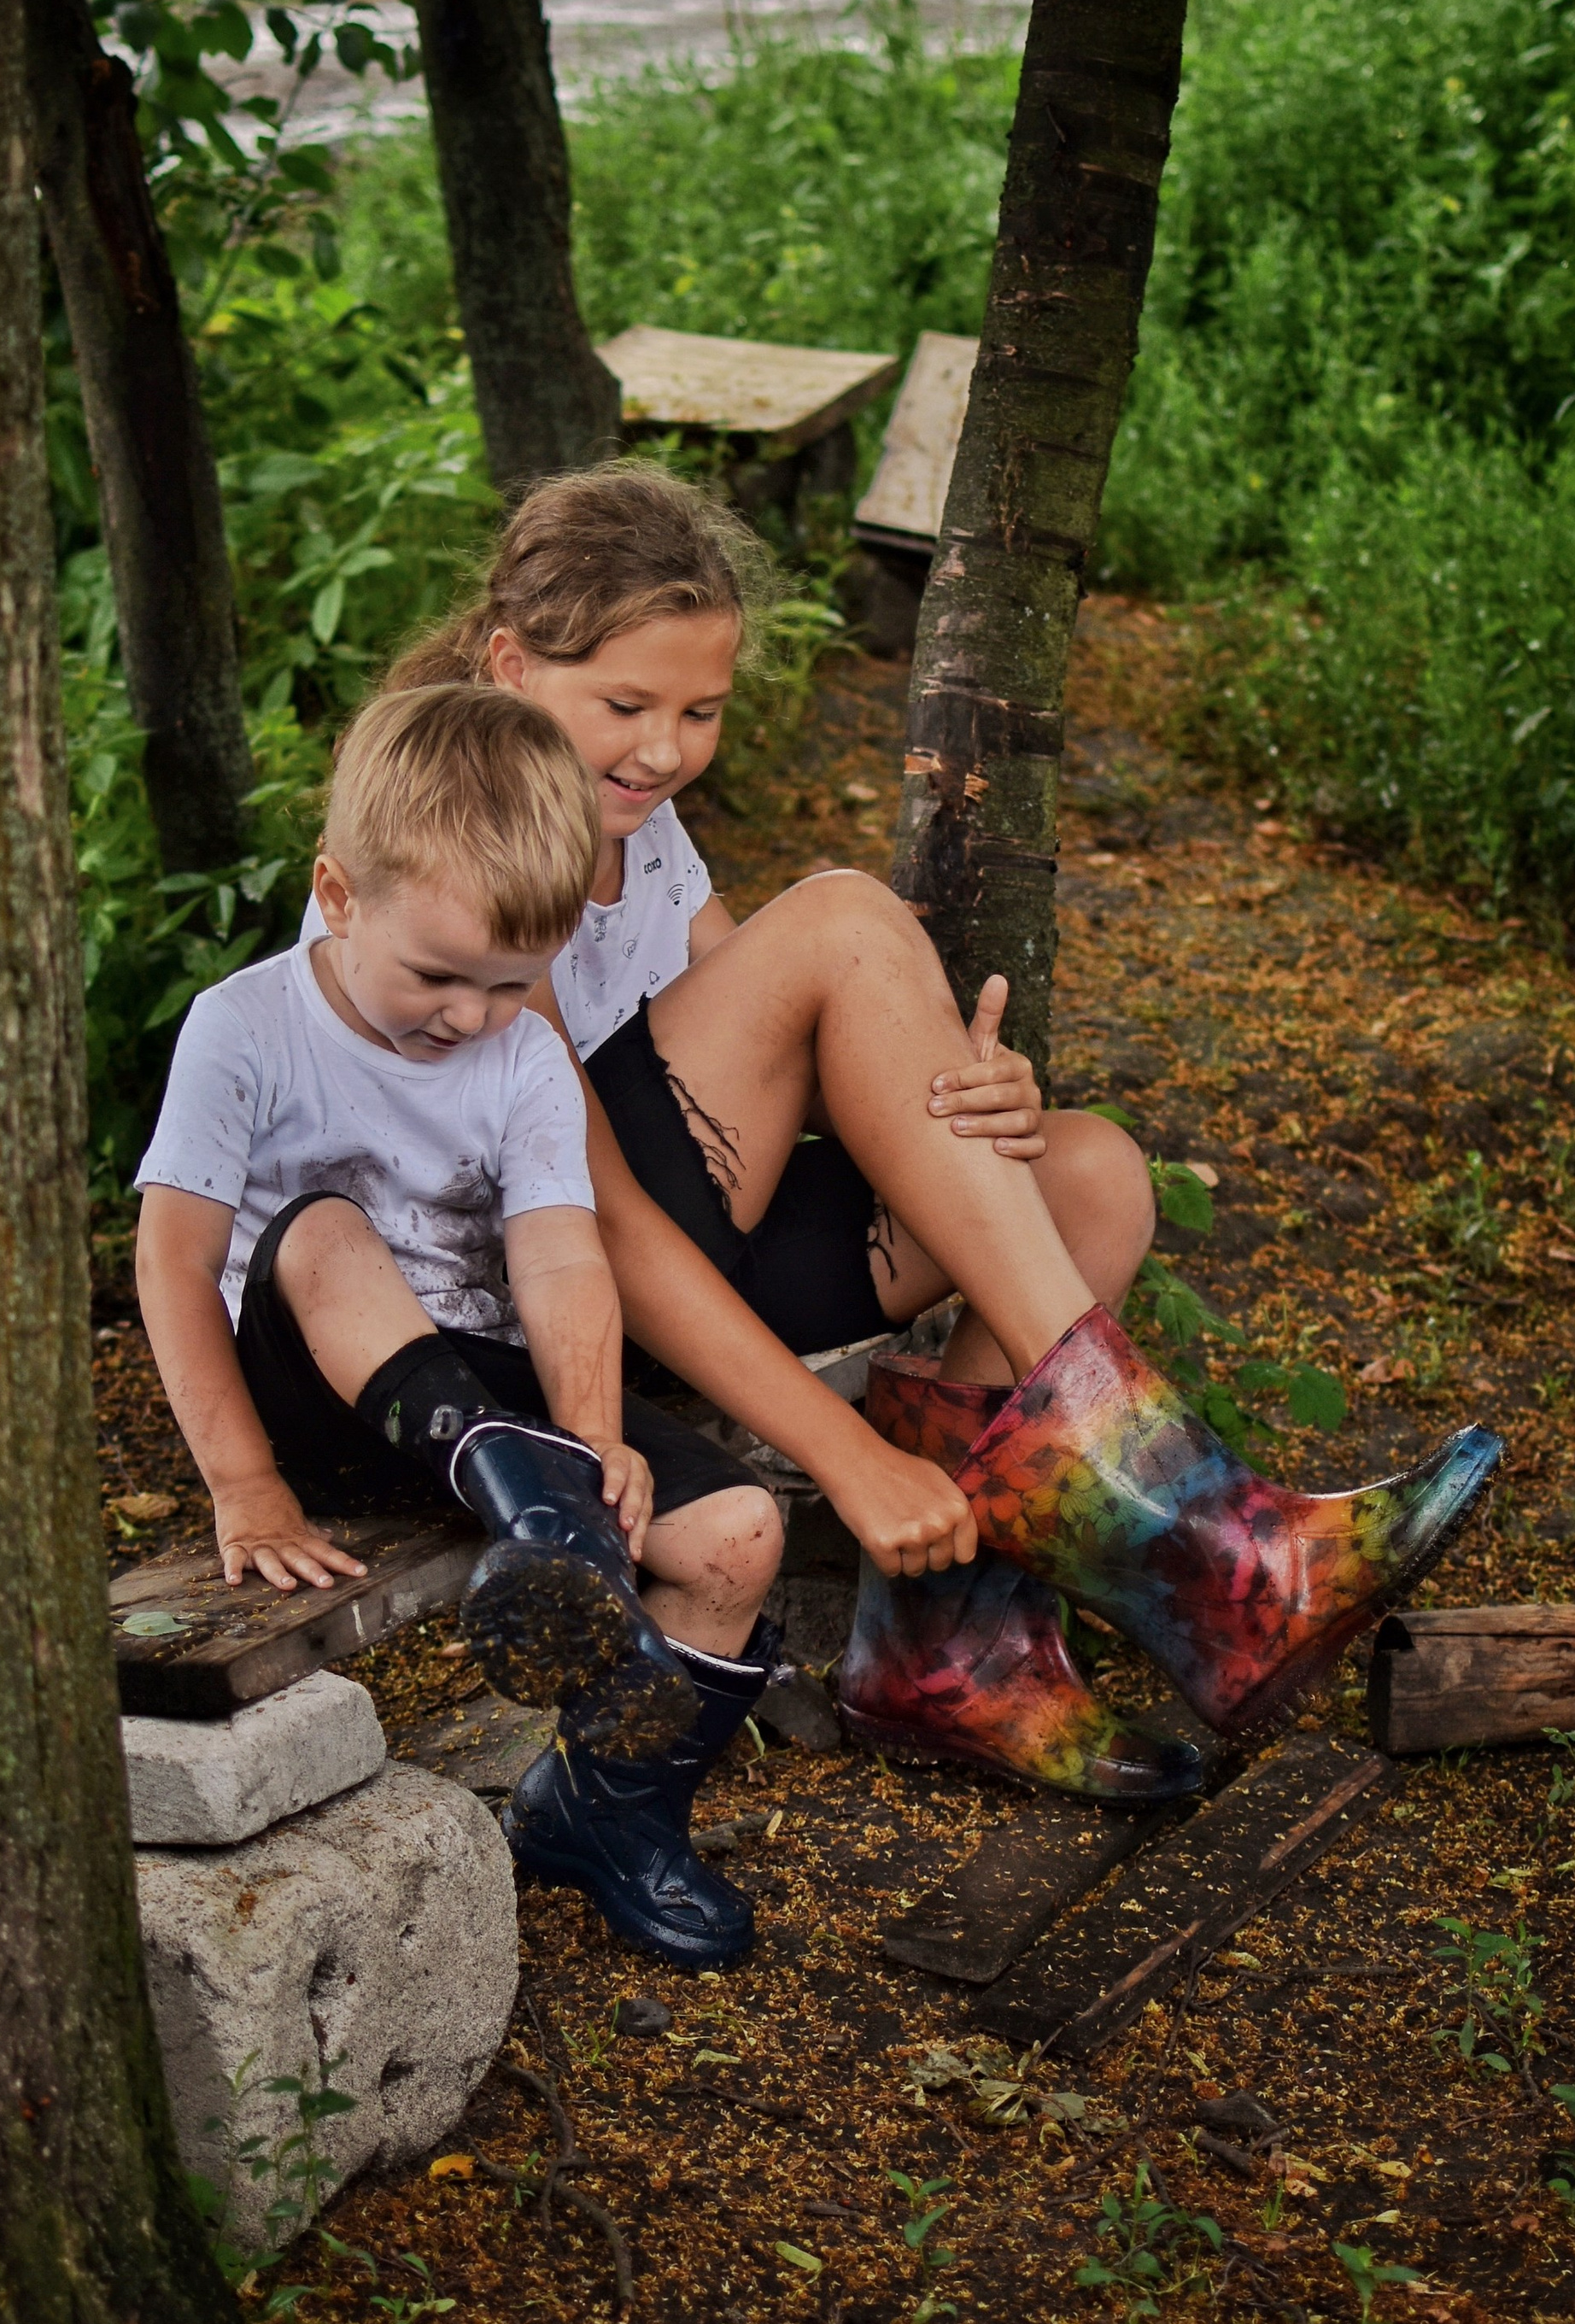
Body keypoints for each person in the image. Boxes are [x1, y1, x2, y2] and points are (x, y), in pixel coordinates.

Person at [372, 468, 1502, 1800]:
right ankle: (1214, 1534)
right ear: (508, 665)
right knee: (848, 918)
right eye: (624, 706)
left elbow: (766, 1055)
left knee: (1085, 1176)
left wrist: (959, 1110)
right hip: (524, 1303)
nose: (664, 748)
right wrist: (843, 1456)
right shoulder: (458, 851)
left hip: (673, 1252)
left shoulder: (646, 833)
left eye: (700, 711)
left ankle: (941, 1652)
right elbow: (600, 1217)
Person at [134, 681, 787, 1974]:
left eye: (509, 984)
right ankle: (544, 1518)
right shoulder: (247, 1028)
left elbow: (554, 1253)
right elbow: (173, 1261)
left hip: (483, 1400)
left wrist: (595, 1438)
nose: (471, 1018)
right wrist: (246, 1486)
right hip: (314, 1394)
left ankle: (607, 1812)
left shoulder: (520, 1057)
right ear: (336, 894)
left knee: (739, 1534)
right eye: (438, 975)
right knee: (322, 1231)